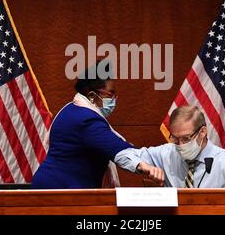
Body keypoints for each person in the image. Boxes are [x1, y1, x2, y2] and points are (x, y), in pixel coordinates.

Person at [31, 61, 162, 189]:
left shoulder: (72, 109)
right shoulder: (85, 119)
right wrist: (143, 166)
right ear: (92, 95)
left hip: (56, 189)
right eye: (110, 94)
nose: (114, 99)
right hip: (59, 194)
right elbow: (116, 148)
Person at [115, 105, 225, 188]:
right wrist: (142, 165)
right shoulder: (167, 153)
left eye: (186, 139)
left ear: (202, 132)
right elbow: (122, 154)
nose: (180, 145)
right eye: (175, 139)